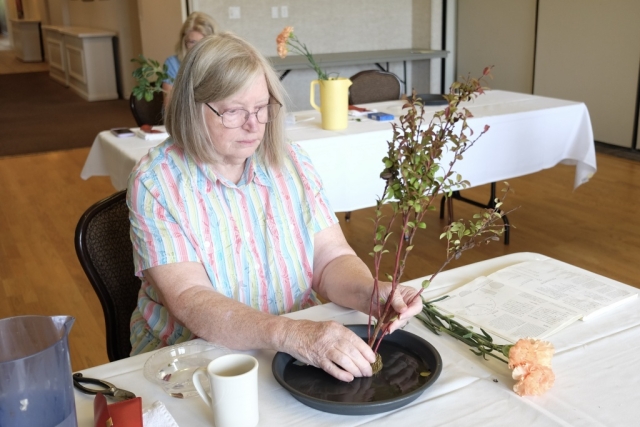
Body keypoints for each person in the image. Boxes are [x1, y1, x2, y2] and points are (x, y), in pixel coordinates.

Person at [127, 32, 423, 382]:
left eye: (262, 107)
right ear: (192, 108)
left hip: (296, 346)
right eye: (234, 111)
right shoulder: (157, 180)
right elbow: (191, 298)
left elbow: (329, 259)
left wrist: (371, 294)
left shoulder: (291, 161)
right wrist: (290, 334)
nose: (254, 125)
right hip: (194, 359)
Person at [162, 11, 218, 105]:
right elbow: (169, 106)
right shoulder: (173, 64)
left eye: (203, 42)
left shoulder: (220, 63)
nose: (198, 48)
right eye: (192, 42)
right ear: (184, 42)